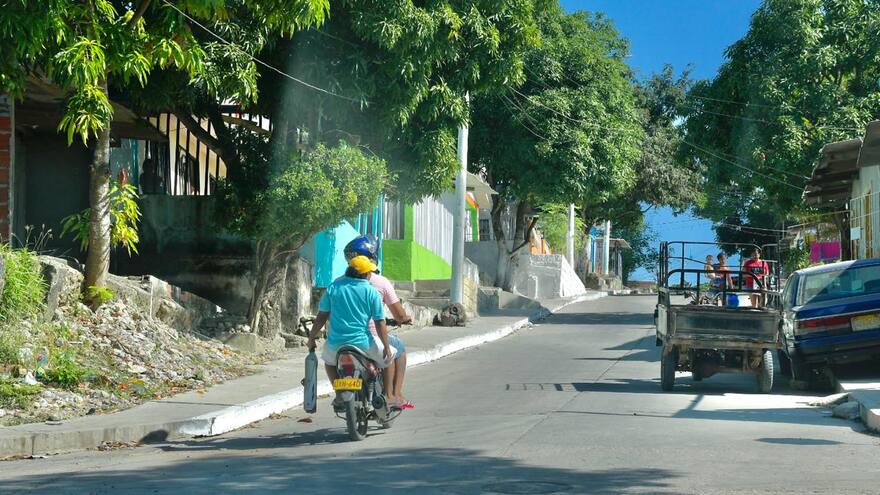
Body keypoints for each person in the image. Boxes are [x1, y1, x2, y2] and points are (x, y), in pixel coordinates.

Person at [307, 254, 397, 409]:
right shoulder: (371, 292)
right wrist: (387, 347)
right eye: (370, 272)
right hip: (363, 343)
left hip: (336, 344)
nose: (371, 275)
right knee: (390, 358)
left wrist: (311, 337)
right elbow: (379, 322)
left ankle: (339, 393)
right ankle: (389, 396)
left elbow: (321, 316)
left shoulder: (334, 287)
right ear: (365, 274)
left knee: (329, 362)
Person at [342, 235, 413, 408]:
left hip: (342, 337)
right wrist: (405, 319)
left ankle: (340, 395)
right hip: (370, 337)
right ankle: (393, 394)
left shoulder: (338, 283)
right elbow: (395, 316)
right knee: (398, 350)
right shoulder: (379, 283)